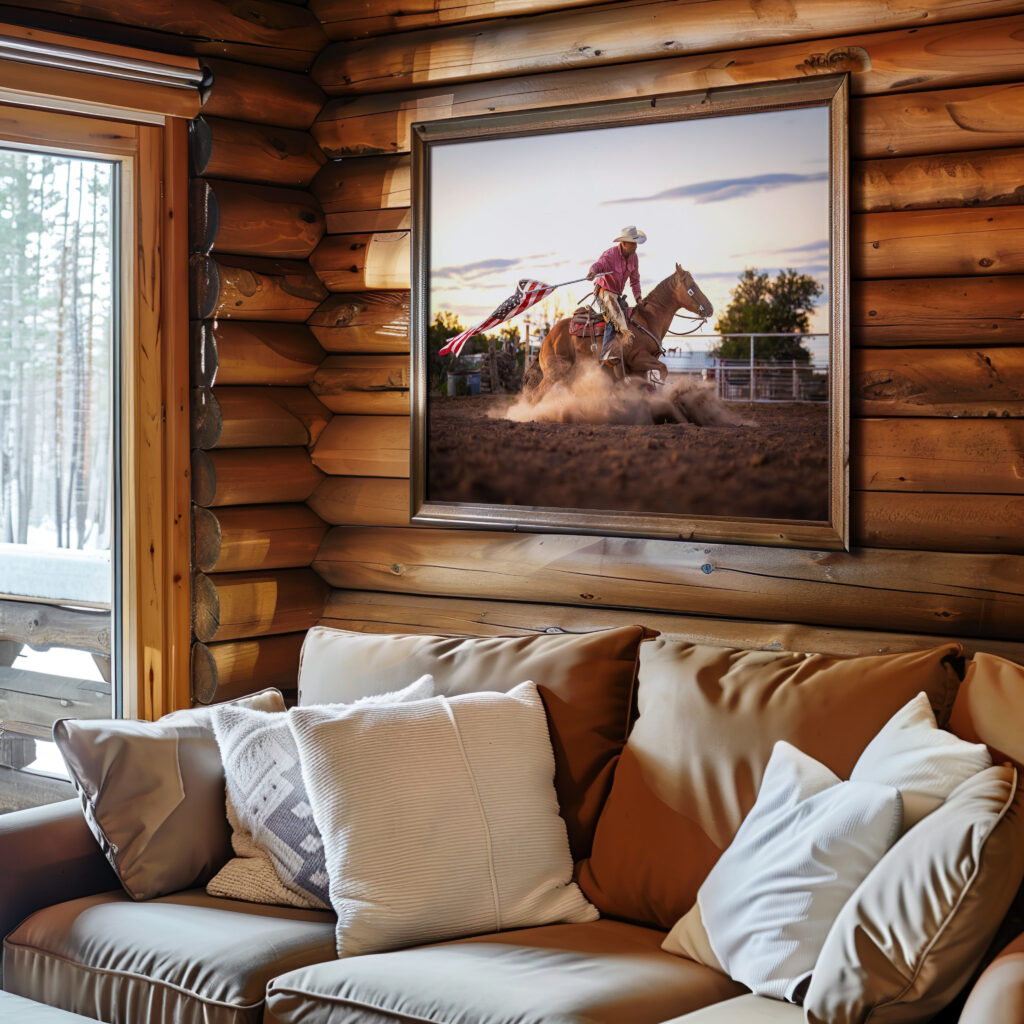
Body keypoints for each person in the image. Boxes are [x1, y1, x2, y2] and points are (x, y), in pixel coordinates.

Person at [586, 226, 646, 367]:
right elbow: (599, 265)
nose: (635, 246)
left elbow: (635, 280)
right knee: (614, 318)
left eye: (636, 242)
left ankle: (624, 351)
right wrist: (592, 271)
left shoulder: (634, 258)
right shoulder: (610, 255)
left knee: (628, 316)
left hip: (616, 293)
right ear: (624, 243)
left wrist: (638, 298)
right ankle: (606, 353)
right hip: (604, 291)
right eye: (632, 243)